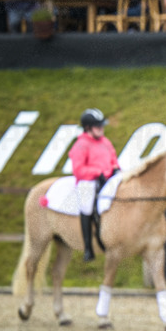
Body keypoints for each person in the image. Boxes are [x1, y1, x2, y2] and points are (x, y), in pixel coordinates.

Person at [68, 108, 120, 262]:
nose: (102, 129)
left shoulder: (105, 142)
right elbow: (78, 169)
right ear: (88, 128)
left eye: (102, 125)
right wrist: (97, 173)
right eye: (98, 126)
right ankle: (88, 248)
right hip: (89, 181)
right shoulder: (81, 145)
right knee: (87, 205)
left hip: (107, 178)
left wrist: (116, 168)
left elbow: (113, 158)